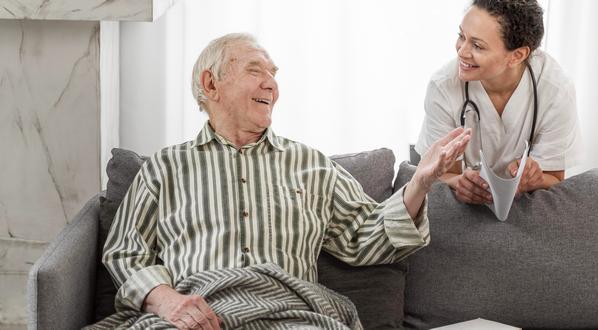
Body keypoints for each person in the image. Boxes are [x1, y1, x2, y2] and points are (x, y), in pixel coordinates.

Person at [102, 33, 471, 329]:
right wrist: (167, 300)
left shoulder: (309, 164)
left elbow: (365, 237)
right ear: (210, 83)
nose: (272, 85)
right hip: (198, 315)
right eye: (255, 70)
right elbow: (124, 251)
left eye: (274, 74)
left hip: (291, 314)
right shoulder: (165, 167)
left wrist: (421, 182)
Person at [415, 0, 580, 205]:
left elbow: (554, 178)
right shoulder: (443, 86)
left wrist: (533, 179)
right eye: (461, 36)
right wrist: (460, 183)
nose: (461, 51)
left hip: (525, 207)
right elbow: (441, 174)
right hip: (462, 208)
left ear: (517, 55)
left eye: (477, 45)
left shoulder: (555, 90)